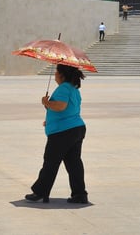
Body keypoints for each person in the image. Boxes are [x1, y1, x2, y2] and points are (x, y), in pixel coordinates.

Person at [25, 64, 88, 204]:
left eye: (56, 72)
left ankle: (40, 192)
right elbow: (69, 110)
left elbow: (61, 106)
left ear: (62, 74)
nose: (54, 75)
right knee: (74, 163)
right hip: (76, 129)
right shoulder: (74, 89)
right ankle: (80, 194)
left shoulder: (64, 88)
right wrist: (50, 121)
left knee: (51, 162)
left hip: (63, 132)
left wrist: (46, 102)